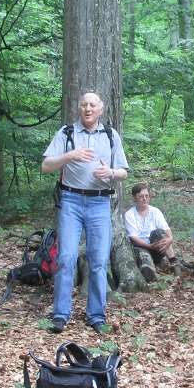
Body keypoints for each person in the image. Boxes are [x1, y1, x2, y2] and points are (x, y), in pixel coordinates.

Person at [41, 91, 129, 335]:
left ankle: (96, 315)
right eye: (84, 105)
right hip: (70, 201)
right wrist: (71, 155)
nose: (88, 109)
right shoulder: (67, 133)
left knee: (99, 261)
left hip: (100, 203)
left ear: (101, 109)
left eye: (92, 105)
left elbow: (123, 172)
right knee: (66, 257)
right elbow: (46, 165)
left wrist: (109, 172)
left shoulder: (111, 135)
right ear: (79, 108)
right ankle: (60, 314)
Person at [124, 183, 182, 281]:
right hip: (141, 248)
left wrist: (170, 239)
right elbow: (133, 238)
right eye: (141, 196)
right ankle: (149, 269)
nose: (144, 199)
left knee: (159, 233)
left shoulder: (155, 211)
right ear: (134, 197)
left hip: (158, 246)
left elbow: (165, 227)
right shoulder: (129, 215)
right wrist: (150, 247)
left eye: (147, 196)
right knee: (145, 265)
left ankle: (173, 261)